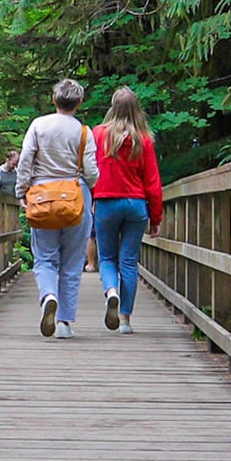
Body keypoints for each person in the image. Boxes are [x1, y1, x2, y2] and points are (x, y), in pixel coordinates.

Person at [17, 78, 99, 338]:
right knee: (73, 262)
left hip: (42, 197)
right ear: (79, 102)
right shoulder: (84, 132)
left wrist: (22, 191)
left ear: (54, 100)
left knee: (44, 257)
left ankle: (48, 295)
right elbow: (93, 173)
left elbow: (26, 160)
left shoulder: (38, 125)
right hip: (75, 197)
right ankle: (64, 322)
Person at [90, 87, 162, 333]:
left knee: (107, 258)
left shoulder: (98, 135)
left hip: (107, 202)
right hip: (136, 204)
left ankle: (111, 292)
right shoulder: (144, 140)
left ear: (112, 107)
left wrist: (90, 197)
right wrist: (156, 217)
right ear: (137, 109)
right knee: (129, 262)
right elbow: (153, 182)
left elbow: (90, 170)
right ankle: (125, 320)